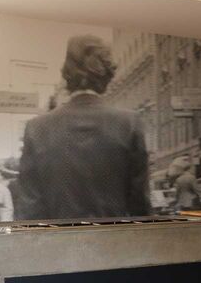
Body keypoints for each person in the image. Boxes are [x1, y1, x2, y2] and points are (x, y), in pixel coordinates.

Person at [17, 35, 150, 220]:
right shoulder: (129, 123)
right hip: (114, 242)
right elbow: (140, 206)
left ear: (66, 73)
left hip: (58, 243)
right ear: (107, 74)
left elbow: (28, 209)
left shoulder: (36, 128)